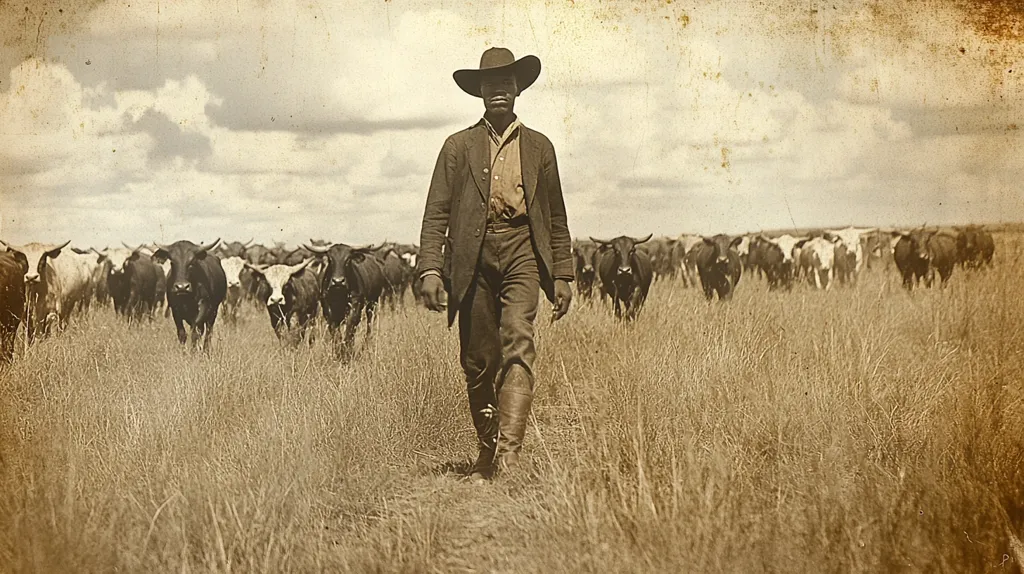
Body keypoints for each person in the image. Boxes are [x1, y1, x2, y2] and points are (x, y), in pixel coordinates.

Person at [416, 47, 574, 480]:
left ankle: (508, 456)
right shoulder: (457, 147)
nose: (499, 90)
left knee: (519, 343)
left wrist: (562, 273)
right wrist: (431, 268)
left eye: (507, 82)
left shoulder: (540, 147)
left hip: (523, 249)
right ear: (480, 92)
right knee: (478, 360)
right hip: (472, 258)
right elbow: (436, 213)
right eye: (490, 84)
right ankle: (487, 446)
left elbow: (555, 216)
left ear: (519, 88)